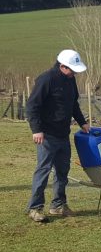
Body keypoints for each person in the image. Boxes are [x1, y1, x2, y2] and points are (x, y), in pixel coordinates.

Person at [26, 49, 90, 222]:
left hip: (63, 134)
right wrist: (36, 130)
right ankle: (35, 208)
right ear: (62, 66)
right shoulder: (46, 79)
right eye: (72, 69)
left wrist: (82, 122)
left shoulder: (70, 80)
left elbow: (73, 104)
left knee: (63, 171)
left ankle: (58, 205)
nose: (75, 73)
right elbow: (32, 106)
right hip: (46, 134)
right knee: (43, 170)